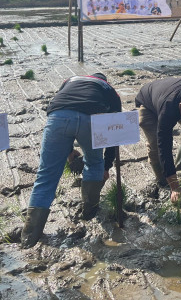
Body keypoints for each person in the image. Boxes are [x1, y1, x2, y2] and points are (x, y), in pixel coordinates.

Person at [21, 73, 121, 248]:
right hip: (91, 118)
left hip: (58, 117)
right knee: (94, 163)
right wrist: (106, 166)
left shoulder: (69, 81)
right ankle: (89, 212)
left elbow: (64, 108)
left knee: (46, 176)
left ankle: (29, 238)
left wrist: (68, 150)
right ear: (104, 81)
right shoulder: (108, 89)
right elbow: (114, 132)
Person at [134, 78, 181, 203]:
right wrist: (175, 187)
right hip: (148, 104)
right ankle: (163, 180)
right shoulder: (168, 109)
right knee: (156, 145)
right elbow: (164, 147)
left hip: (171, 92)